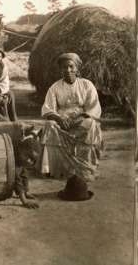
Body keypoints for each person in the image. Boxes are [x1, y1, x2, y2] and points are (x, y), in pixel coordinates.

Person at [38, 52, 103, 181]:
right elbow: (47, 108)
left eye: (71, 66)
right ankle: (55, 168)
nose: (68, 70)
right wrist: (59, 118)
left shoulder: (86, 85)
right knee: (49, 125)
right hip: (61, 120)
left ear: (77, 68)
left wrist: (80, 117)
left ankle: (84, 166)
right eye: (64, 67)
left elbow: (93, 107)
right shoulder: (54, 87)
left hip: (80, 119)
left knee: (91, 125)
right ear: (60, 70)